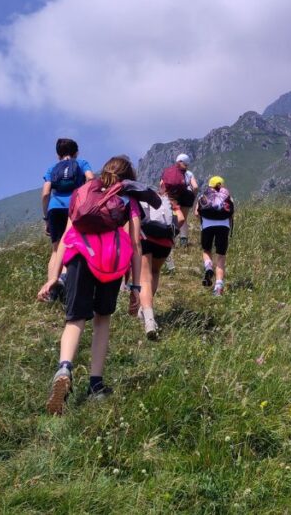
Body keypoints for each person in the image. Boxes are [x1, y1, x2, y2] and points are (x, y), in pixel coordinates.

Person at [36, 155, 150, 415]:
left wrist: (54, 276)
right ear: (128, 177)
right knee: (102, 320)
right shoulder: (128, 199)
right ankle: (96, 384)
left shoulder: (82, 192)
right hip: (111, 262)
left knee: (75, 319)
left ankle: (64, 368)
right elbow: (135, 244)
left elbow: (66, 235)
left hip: (78, 256)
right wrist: (134, 287)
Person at [40, 138, 94, 302]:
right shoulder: (82, 162)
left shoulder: (52, 168)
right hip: (74, 207)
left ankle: (51, 290)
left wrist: (46, 217)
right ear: (76, 152)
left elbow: (45, 193)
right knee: (70, 245)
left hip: (54, 209)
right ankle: (63, 279)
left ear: (58, 155)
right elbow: (91, 178)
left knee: (56, 250)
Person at [128, 183, 177, 339]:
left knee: (144, 279)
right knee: (155, 272)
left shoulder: (137, 199)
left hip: (145, 237)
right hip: (165, 241)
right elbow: (180, 218)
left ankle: (149, 320)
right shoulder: (166, 200)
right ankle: (145, 309)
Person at [195, 175, 235, 296]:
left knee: (206, 250)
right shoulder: (228, 197)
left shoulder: (204, 196)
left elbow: (197, 213)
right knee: (221, 257)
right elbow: (231, 214)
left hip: (207, 226)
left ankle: (208, 267)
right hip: (223, 228)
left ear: (210, 185)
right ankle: (218, 288)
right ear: (222, 185)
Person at [160, 154, 198, 248]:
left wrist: (164, 194)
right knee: (183, 219)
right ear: (186, 163)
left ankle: (170, 240)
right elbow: (196, 187)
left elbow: (161, 184)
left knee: (173, 218)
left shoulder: (168, 172)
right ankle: (183, 241)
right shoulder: (189, 173)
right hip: (186, 196)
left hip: (172, 196)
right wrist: (194, 195)